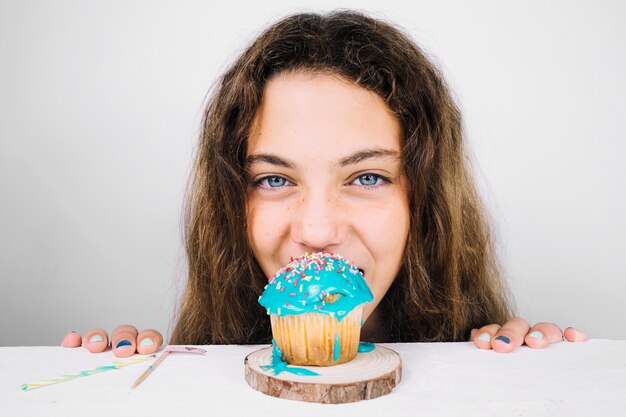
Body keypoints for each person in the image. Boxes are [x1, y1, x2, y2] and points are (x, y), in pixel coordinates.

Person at [61, 10, 589, 358]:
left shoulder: (489, 370)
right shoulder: (190, 381)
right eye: (273, 179)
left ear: (425, 204)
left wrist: (527, 378)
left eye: (366, 176)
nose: (316, 230)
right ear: (229, 206)